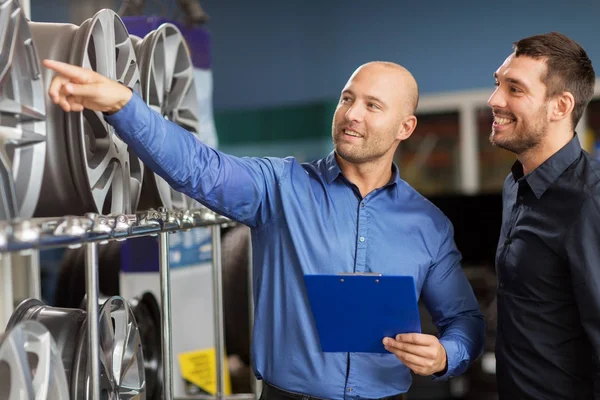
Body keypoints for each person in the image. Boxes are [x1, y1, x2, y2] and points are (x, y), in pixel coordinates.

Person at [44, 59, 485, 399]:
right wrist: (124, 104)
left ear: (405, 127)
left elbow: (464, 321)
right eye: (347, 98)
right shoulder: (280, 188)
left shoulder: (428, 224)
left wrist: (447, 355)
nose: (352, 114)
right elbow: (200, 169)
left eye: (373, 106)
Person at [488, 32, 600, 399]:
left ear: (560, 106)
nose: (494, 100)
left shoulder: (590, 201)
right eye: (498, 84)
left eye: (514, 89)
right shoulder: (515, 185)